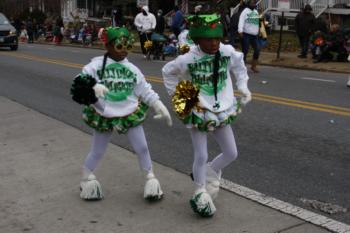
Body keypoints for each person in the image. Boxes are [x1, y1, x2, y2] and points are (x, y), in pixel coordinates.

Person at [162, 14, 252, 217]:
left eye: (217, 38)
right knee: (201, 154)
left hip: (222, 110)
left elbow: (239, 66)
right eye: (208, 39)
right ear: (197, 39)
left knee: (231, 153)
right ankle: (200, 190)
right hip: (199, 111)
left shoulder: (227, 52)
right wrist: (179, 97)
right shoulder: (187, 59)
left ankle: (211, 171)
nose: (214, 43)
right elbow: (167, 72)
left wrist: (243, 87)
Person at [71, 27, 172, 201]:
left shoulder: (132, 68)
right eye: (120, 46)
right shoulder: (95, 66)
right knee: (98, 150)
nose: (124, 50)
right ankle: (86, 178)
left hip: (129, 112)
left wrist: (158, 104)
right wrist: (92, 87)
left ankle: (151, 180)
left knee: (142, 147)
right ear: (108, 45)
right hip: (104, 112)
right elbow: (78, 82)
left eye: (128, 46)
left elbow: (144, 89)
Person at [238, 0, 261, 72]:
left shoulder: (256, 12)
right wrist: (240, 31)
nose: (254, 4)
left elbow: (257, 23)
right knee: (245, 50)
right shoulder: (245, 11)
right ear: (248, 4)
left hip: (254, 35)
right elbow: (241, 21)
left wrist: (258, 31)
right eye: (252, 3)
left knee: (257, 50)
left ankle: (253, 66)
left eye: (254, 3)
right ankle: (242, 66)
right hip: (246, 34)